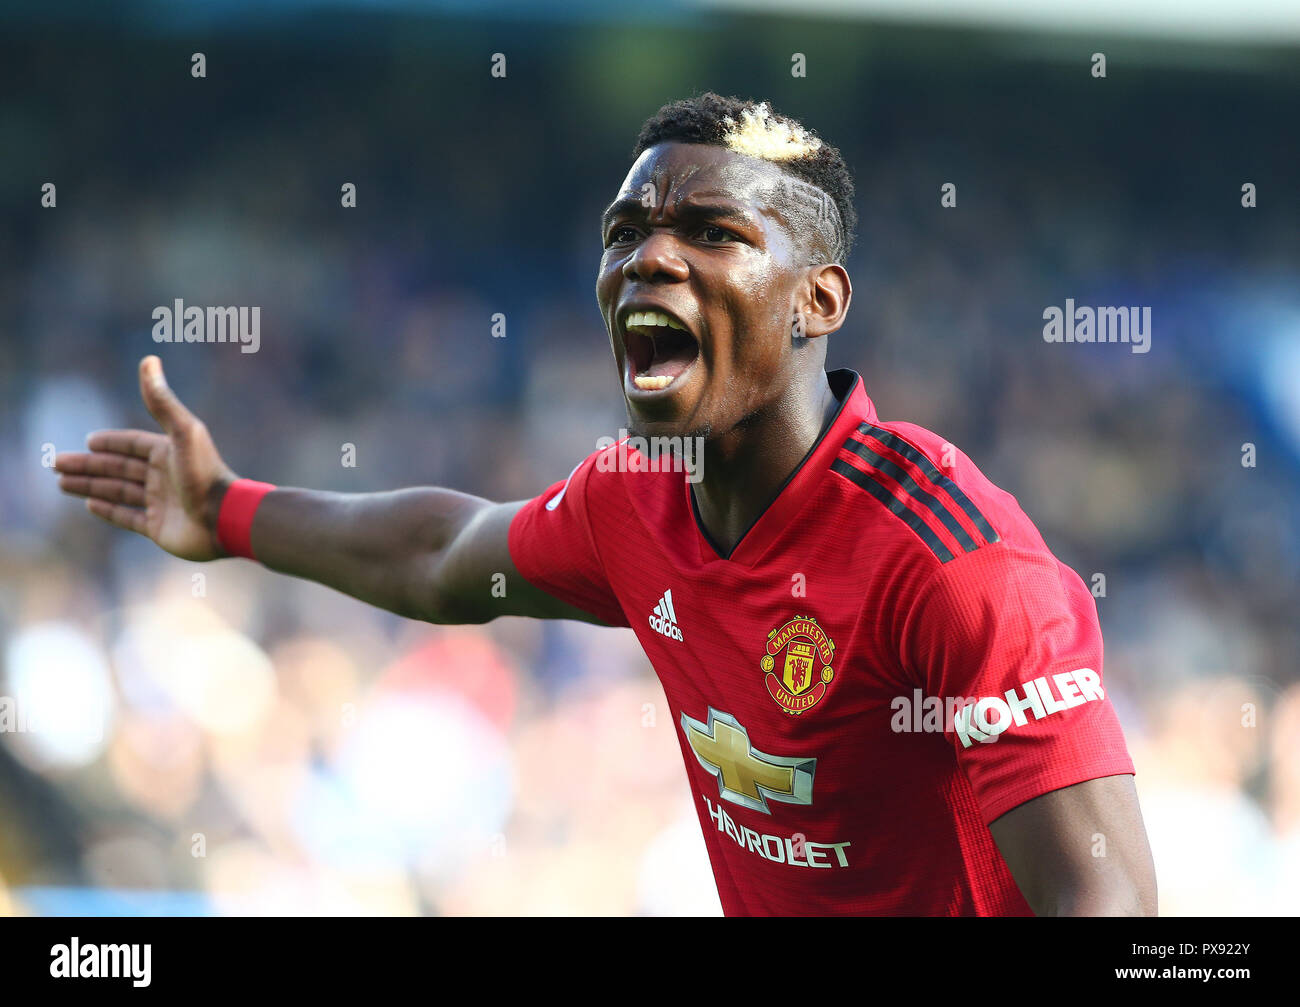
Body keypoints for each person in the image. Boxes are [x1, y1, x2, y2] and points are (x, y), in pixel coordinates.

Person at [54, 92, 1156, 916]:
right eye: (626, 232)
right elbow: (443, 555)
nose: (649, 258)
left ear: (819, 300)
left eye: (714, 232)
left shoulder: (956, 564)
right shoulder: (633, 499)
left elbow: (1111, 910)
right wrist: (230, 510)